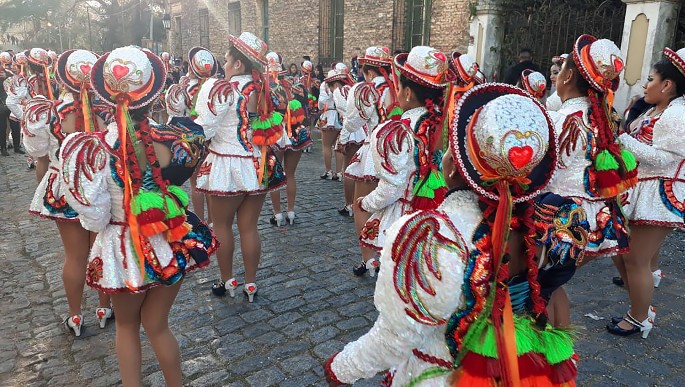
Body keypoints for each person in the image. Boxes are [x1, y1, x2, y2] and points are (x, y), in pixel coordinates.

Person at [324, 84, 577, 386]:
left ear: (456, 169)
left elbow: (395, 337)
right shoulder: (541, 224)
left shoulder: (432, 235)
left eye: (448, 151)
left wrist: (341, 368)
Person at [60, 46, 216, 385]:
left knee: (127, 327)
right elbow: (182, 175)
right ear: (154, 95)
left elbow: (94, 218)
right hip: (167, 241)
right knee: (159, 326)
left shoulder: (96, 147)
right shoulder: (171, 138)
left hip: (122, 250)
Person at [21, 49, 113, 336]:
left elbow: (37, 152)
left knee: (74, 256)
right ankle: (104, 307)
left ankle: (75, 316)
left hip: (64, 187)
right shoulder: (108, 112)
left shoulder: (50, 113)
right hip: (100, 189)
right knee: (101, 251)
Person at [196, 32, 285, 302]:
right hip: (256, 165)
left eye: (226, 60)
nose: (222, 65)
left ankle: (227, 280)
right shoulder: (263, 89)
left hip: (226, 164)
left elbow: (205, 127)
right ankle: (251, 284)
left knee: (221, 226)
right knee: (249, 227)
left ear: (237, 64)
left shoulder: (223, 89)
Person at [608, 47, 685, 338]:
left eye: (651, 78)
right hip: (641, 189)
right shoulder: (657, 108)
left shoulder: (677, 114)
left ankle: (640, 317)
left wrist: (622, 137)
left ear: (667, 85)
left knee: (634, 258)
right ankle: (642, 306)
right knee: (624, 252)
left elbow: (664, 157)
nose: (645, 84)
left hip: (660, 194)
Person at [357, 46, 449, 263]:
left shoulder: (395, 131)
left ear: (407, 92)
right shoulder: (445, 125)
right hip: (441, 212)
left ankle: (369, 263)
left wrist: (365, 204)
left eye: (399, 88)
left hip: (405, 218)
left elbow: (392, 188)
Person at [341, 46, 399, 276]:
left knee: (361, 204)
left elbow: (353, 123)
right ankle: (390, 254)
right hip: (398, 150)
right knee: (391, 203)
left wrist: (345, 135)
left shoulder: (366, 90)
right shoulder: (398, 88)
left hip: (374, 150)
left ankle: (369, 260)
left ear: (366, 70)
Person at [165, 47, 218, 223]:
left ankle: (200, 220)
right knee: (209, 181)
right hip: (210, 138)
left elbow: (174, 113)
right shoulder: (213, 87)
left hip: (189, 139)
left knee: (196, 183)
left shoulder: (182, 86)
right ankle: (212, 220)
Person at [268, 51, 313, 226]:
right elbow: (302, 105)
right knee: (291, 174)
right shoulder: (292, 84)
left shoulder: (265, 87)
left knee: (275, 174)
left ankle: (277, 214)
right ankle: (291, 212)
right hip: (295, 130)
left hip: (276, 132)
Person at [331, 63, 360, 216]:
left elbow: (346, 114)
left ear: (335, 83)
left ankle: (349, 205)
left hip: (352, 130)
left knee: (348, 169)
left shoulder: (338, 91)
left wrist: (343, 138)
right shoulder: (353, 88)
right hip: (364, 130)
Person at [317, 66, 344, 180]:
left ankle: (328, 171)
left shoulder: (325, 85)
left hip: (329, 115)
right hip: (341, 115)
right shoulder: (345, 84)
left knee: (326, 146)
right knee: (339, 146)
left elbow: (322, 102)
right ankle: (339, 173)